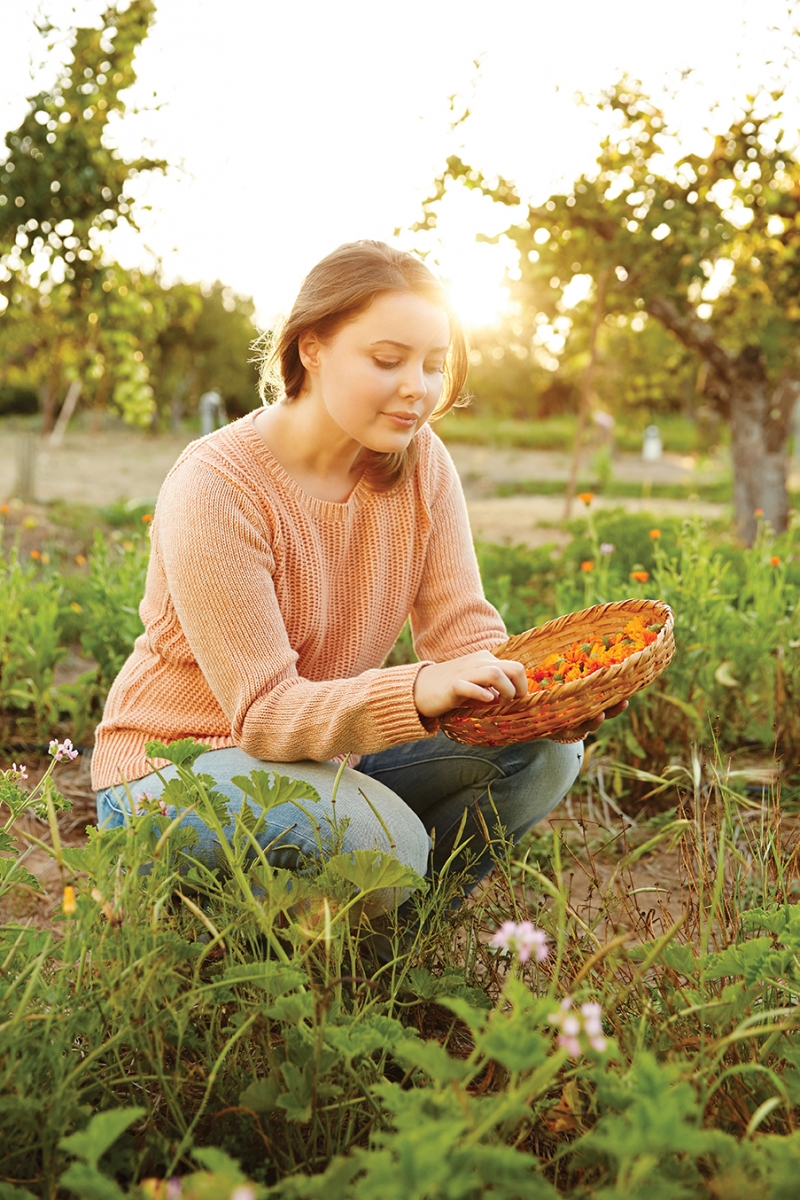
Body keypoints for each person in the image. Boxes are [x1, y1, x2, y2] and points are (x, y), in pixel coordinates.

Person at [92, 240, 623, 901]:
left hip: (324, 754)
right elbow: (261, 714)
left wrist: (536, 699)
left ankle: (401, 941)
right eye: (387, 360)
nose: (418, 389)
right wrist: (418, 690)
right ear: (311, 348)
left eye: (434, 365)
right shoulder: (216, 487)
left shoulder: (418, 460)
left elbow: (462, 632)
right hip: (177, 770)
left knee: (543, 755)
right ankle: (265, 920)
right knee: (385, 845)